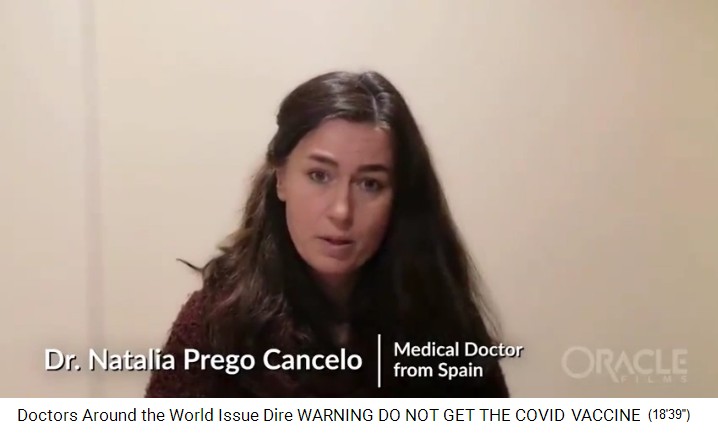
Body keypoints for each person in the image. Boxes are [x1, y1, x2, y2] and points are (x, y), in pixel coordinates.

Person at [145, 70, 510, 397]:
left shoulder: (444, 324)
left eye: (369, 184)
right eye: (319, 176)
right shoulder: (215, 326)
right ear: (281, 178)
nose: (341, 211)